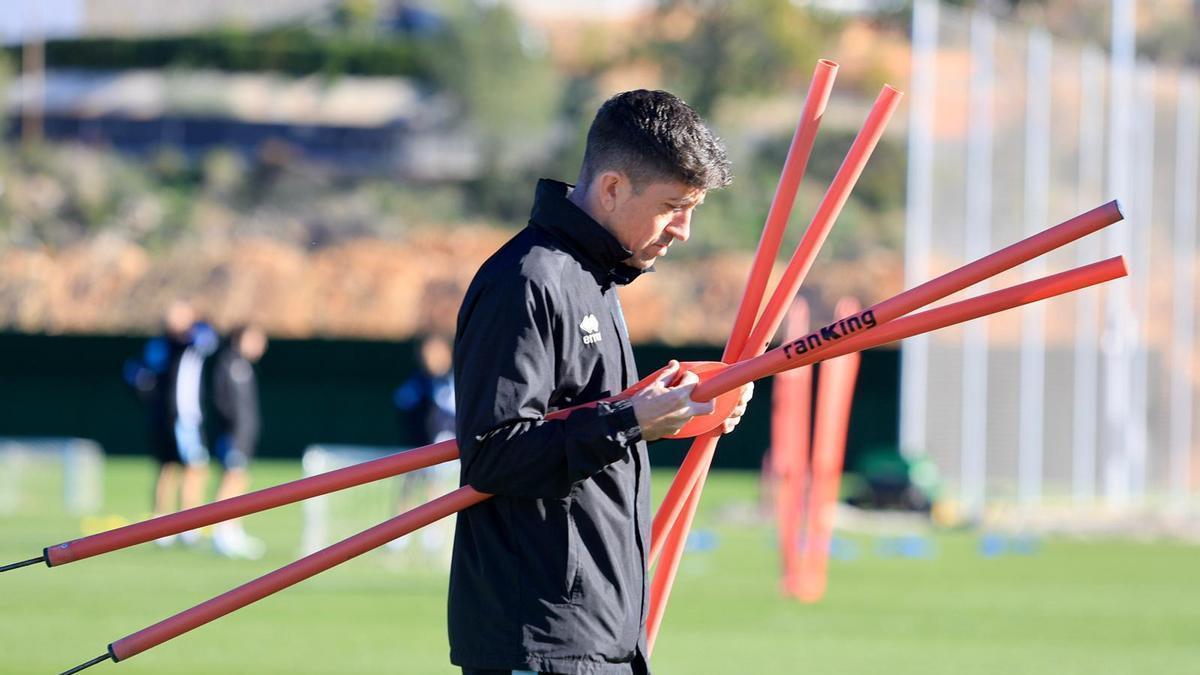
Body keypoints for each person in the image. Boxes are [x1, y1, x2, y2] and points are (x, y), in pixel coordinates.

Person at [450, 90, 753, 675]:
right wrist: (631, 421)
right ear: (612, 188)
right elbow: (492, 453)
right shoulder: (527, 280)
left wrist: (675, 411)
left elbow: (589, 423)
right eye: (673, 206)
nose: (684, 230)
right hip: (541, 642)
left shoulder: (597, 278)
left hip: (603, 635)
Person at [124, 300, 218, 546]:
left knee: (181, 468)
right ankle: (174, 525)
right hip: (179, 418)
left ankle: (176, 524)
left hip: (183, 417)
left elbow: (209, 337)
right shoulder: (162, 346)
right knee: (184, 468)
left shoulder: (193, 341)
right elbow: (136, 374)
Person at [390, 334, 459, 560]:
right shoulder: (417, 382)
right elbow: (403, 403)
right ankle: (399, 532)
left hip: (442, 447)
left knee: (436, 485)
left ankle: (434, 531)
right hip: (416, 446)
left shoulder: (452, 382)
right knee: (408, 485)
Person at [210, 324, 269, 559]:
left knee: (240, 479)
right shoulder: (231, 364)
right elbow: (224, 403)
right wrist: (232, 429)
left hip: (242, 435)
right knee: (232, 479)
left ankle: (232, 529)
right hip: (233, 435)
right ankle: (223, 532)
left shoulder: (242, 366)